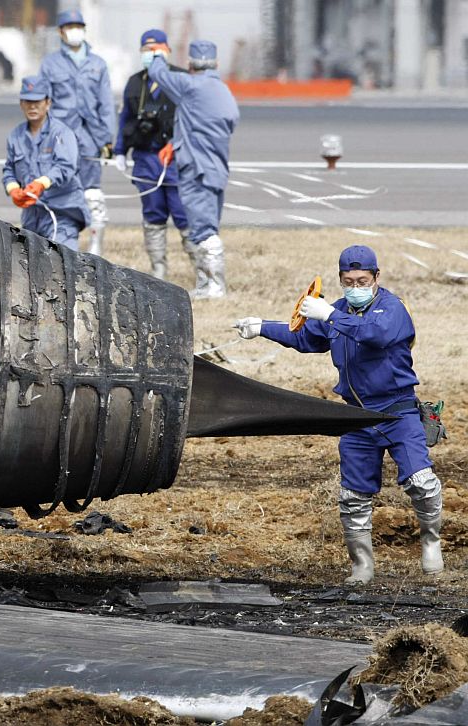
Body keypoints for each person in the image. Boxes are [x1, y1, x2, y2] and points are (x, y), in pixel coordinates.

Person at [233, 245, 444, 585]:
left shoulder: (392, 309)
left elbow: (375, 335)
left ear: (377, 277)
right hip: (356, 418)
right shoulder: (338, 310)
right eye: (348, 281)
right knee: (353, 496)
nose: (355, 286)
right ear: (340, 280)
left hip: (398, 412)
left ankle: (431, 542)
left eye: (362, 280)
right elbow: (304, 337)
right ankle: (362, 565)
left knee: (420, 482)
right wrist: (261, 327)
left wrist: (329, 315)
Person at [147, 40, 239, 298]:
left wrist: (158, 55)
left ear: (190, 65)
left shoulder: (189, 85)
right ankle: (205, 283)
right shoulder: (223, 90)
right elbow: (231, 121)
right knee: (208, 225)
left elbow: (158, 74)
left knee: (203, 230)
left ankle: (215, 285)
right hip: (216, 168)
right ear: (216, 64)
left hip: (196, 170)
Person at [112, 29, 190, 280]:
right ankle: (159, 269)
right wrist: (121, 150)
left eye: (155, 49)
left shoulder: (181, 78)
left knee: (183, 213)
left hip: (175, 157)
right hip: (146, 156)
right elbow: (125, 117)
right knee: (153, 213)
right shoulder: (136, 82)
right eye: (146, 50)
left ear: (167, 49)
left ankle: (202, 270)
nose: (151, 54)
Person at [39, 9, 116, 255]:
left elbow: (106, 104)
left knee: (92, 193)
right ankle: (62, 246)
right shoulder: (50, 64)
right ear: (61, 32)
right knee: (59, 190)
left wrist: (107, 139)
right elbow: (41, 102)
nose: (75, 31)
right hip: (60, 137)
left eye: (78, 26)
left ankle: (95, 249)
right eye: (69, 26)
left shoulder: (97, 64)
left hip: (91, 137)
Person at [2, 75, 90, 250]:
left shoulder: (61, 133)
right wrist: (13, 189)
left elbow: (66, 167)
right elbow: (9, 169)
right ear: (21, 104)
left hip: (61, 212)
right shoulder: (15, 136)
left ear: (48, 103)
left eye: (37, 101)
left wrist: (42, 183)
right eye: (28, 101)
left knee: (62, 263)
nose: (32, 106)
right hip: (32, 216)